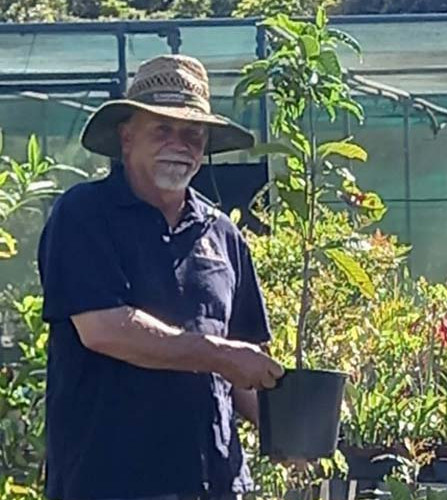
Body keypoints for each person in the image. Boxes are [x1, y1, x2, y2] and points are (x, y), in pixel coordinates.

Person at [37, 54, 284, 500]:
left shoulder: (221, 233)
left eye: (193, 134)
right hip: (110, 482)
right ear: (126, 138)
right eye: (162, 130)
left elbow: (243, 363)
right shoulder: (85, 215)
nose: (180, 144)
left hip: (214, 482)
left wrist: (289, 427)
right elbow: (105, 330)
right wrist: (218, 354)